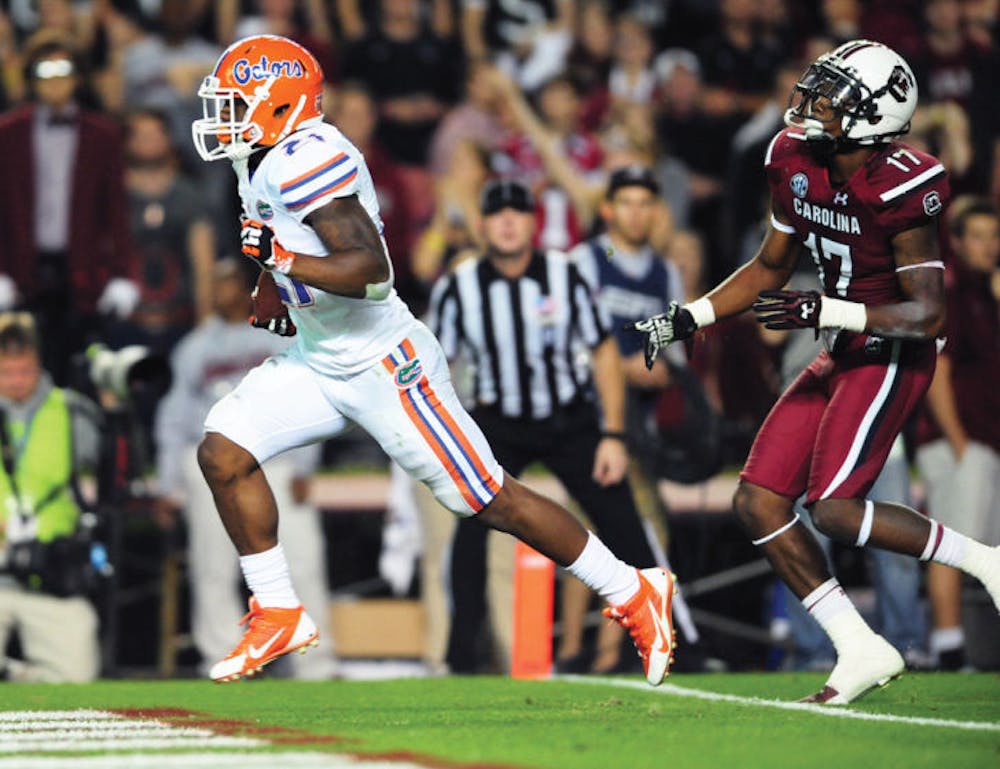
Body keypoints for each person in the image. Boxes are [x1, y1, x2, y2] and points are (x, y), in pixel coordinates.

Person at [189, 34, 674, 685]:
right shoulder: (260, 158)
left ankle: (634, 588)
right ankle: (278, 606)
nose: (222, 118)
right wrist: (276, 284)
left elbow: (372, 272)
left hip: (384, 364)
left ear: (278, 105)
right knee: (223, 449)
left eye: (235, 103)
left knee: (491, 499)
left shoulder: (308, 157)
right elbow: (282, 238)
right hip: (320, 356)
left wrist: (281, 262)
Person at [629, 39, 1000, 704]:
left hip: (894, 350)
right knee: (758, 500)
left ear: (874, 115)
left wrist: (828, 306)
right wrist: (687, 317)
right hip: (843, 341)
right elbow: (771, 266)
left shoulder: (905, 182)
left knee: (832, 507)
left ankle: (988, 563)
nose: (815, 103)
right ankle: (858, 644)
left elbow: (926, 314)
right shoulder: (792, 157)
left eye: (836, 95)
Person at [428, 178, 659, 674]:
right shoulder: (458, 287)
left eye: (518, 212)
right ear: (483, 224)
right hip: (496, 422)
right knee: (469, 536)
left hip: (567, 418)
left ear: (534, 222)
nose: (508, 221)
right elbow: (437, 367)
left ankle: (664, 639)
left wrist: (613, 435)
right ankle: (462, 656)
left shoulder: (566, 273)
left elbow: (602, 350)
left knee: (624, 526)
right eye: (497, 213)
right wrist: (447, 444)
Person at [154, 259, 337, 679]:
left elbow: (309, 399)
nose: (221, 292)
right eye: (214, 284)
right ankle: (219, 654)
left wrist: (306, 466)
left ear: (247, 287)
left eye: (228, 283)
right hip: (216, 466)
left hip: (276, 458)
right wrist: (168, 483)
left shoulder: (281, 336)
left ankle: (317, 663)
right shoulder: (195, 348)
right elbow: (173, 419)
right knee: (213, 563)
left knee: (304, 559)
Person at [0, 39, 137, 384]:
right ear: (31, 78)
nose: (55, 81)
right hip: (21, 272)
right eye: (46, 72)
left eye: (64, 71)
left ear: (78, 78)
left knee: (83, 371)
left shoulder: (102, 134)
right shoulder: (8, 133)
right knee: (21, 367)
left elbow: (116, 209)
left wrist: (122, 274)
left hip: (84, 273)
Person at [915, 197, 1000, 669]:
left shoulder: (984, 294)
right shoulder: (952, 292)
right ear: (960, 241)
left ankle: (956, 645)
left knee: (977, 546)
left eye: (996, 235)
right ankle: (948, 646)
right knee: (954, 545)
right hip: (958, 443)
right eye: (981, 235)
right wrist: (960, 443)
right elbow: (938, 372)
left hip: (982, 440)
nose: (991, 245)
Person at [0, 312, 102, 682]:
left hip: (51, 574)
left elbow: (97, 493)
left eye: (24, 371)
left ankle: (12, 675)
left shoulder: (74, 411)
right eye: (6, 372)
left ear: (39, 362)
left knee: (77, 682)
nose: (16, 382)